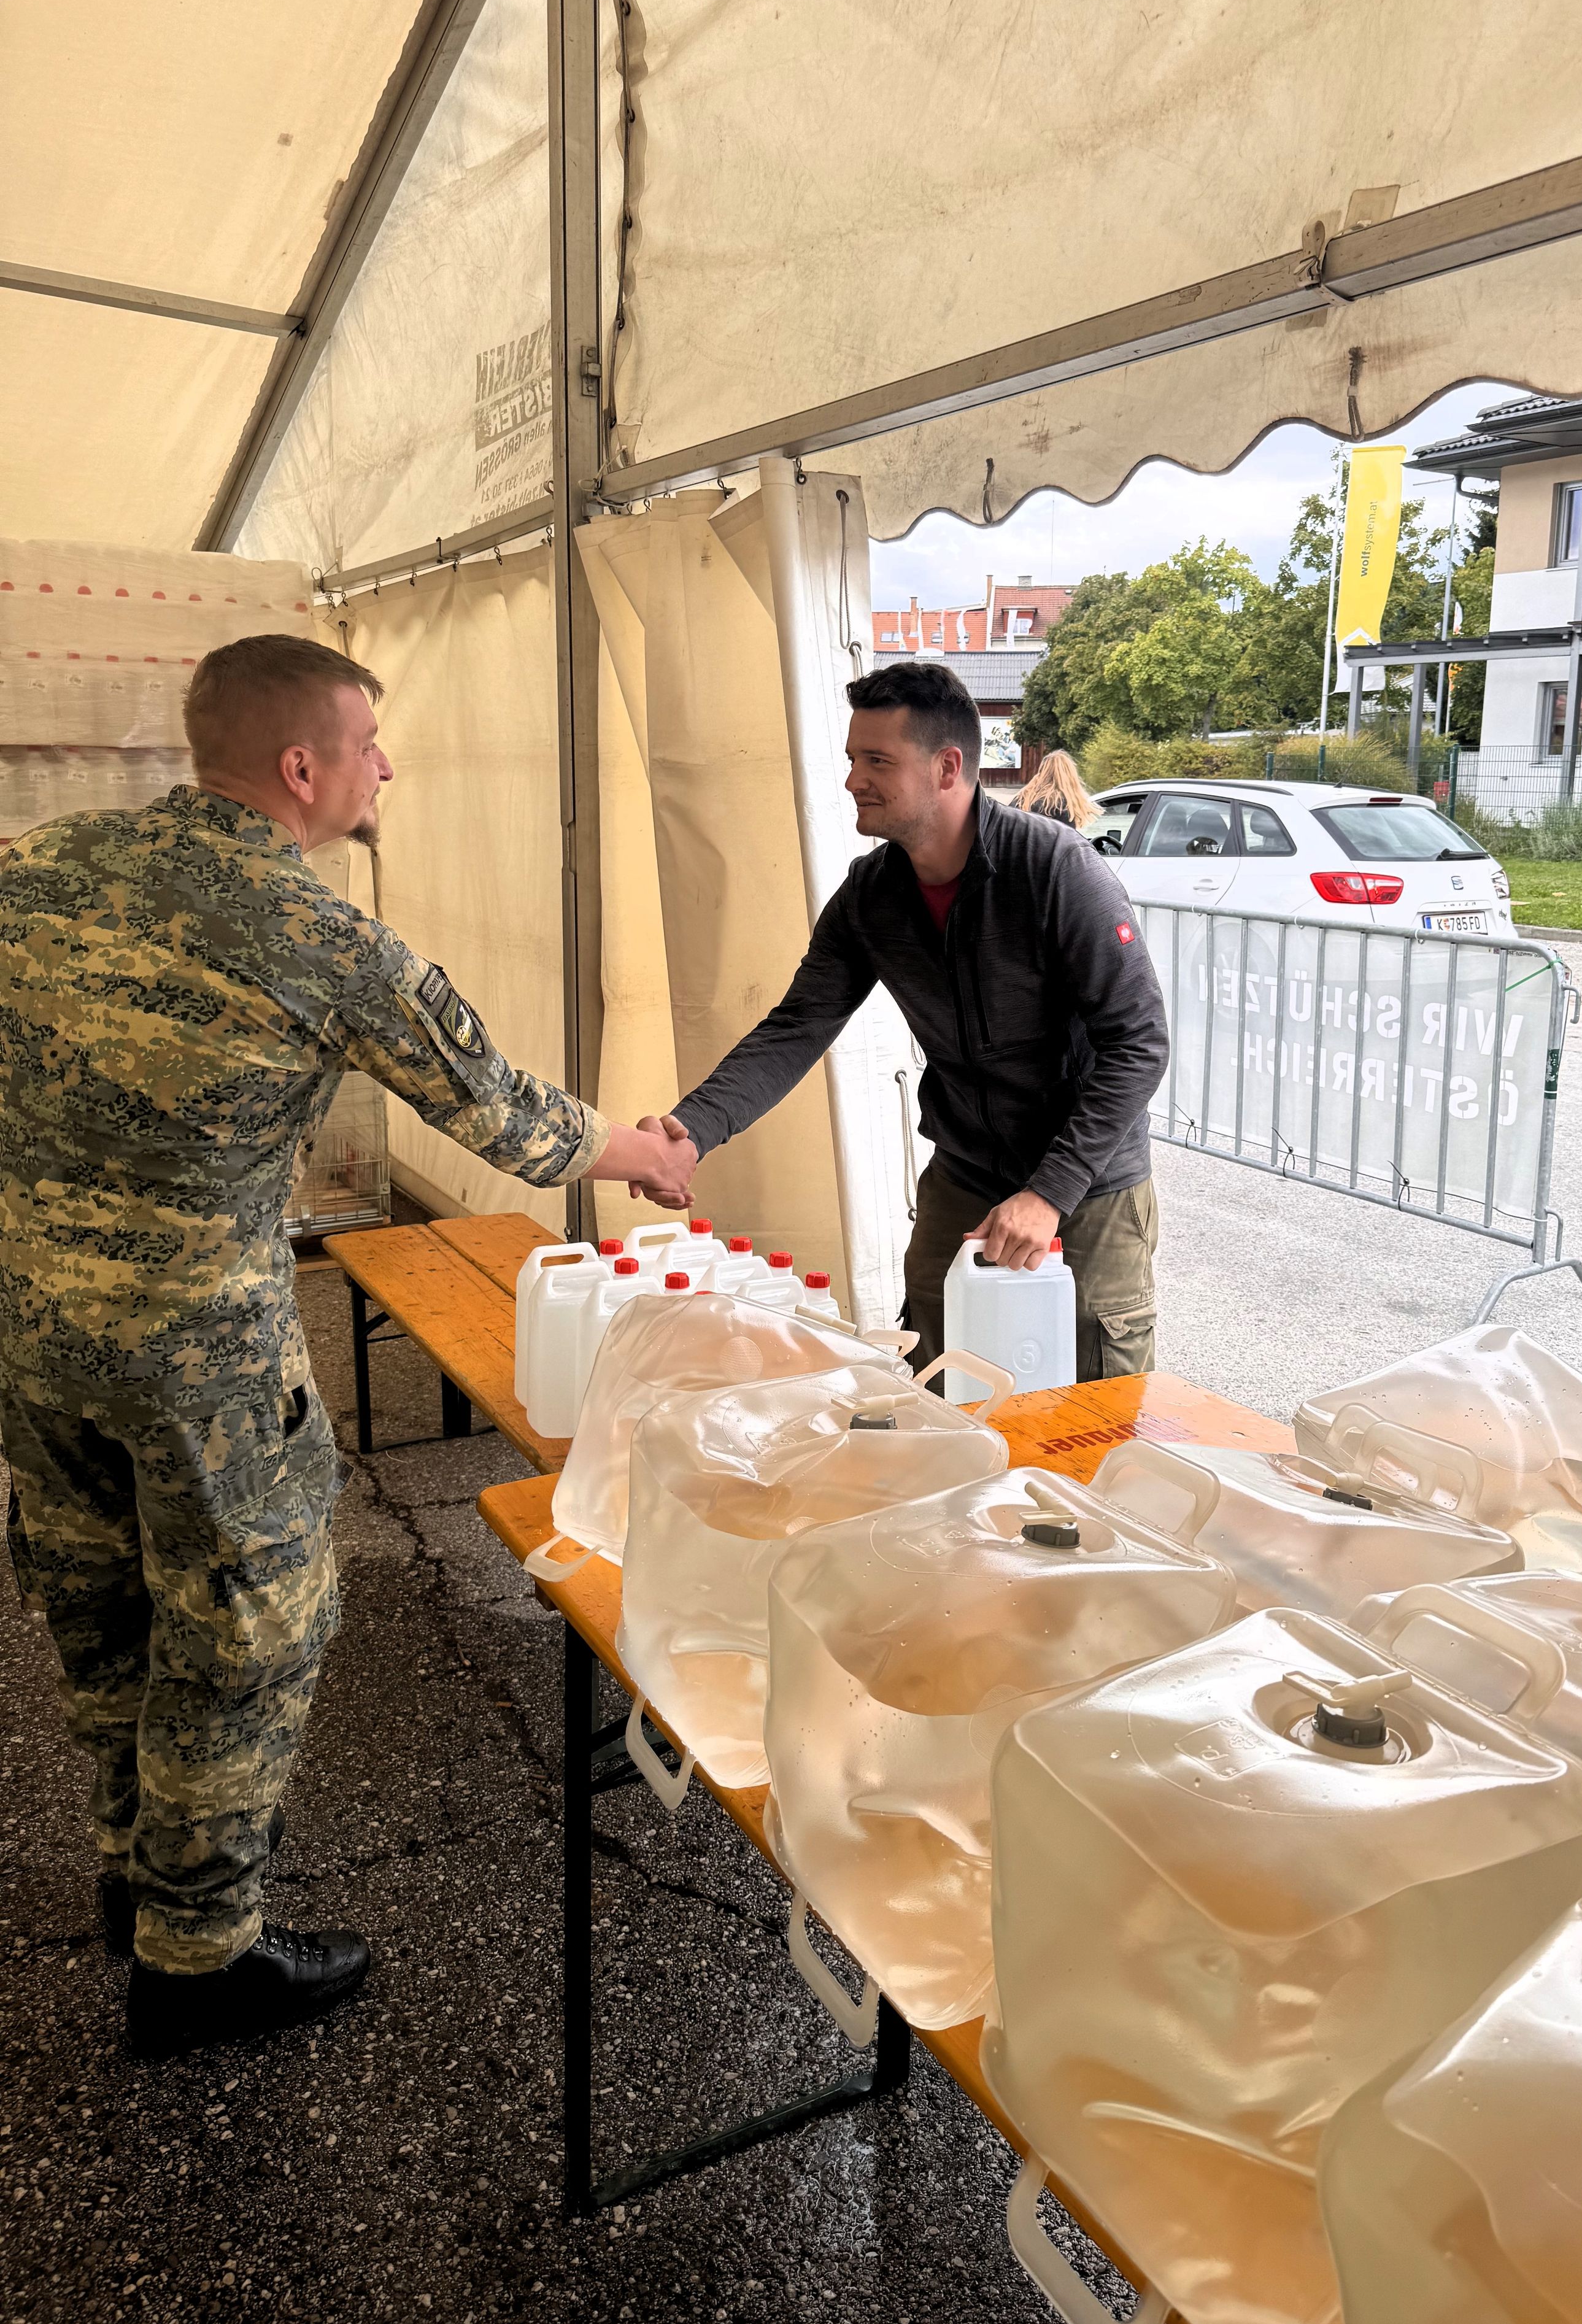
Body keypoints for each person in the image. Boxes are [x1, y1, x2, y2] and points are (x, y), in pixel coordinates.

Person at [0, 635, 696, 2058]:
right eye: (370, 743)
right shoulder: (324, 942)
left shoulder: (36, 869)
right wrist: (642, 1151)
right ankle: (197, 1957)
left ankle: (138, 1870)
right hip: (200, 1361)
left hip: (31, 1335)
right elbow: (501, 1112)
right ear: (303, 769)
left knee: (99, 1600)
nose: (388, 767)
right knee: (248, 1628)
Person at [638, 657, 1167, 1377]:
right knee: (935, 1377)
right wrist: (691, 1131)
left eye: (877, 760)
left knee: (1089, 1404)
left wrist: (1048, 1193)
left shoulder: (1055, 871)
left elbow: (1138, 1043)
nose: (854, 779)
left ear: (948, 768)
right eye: (854, 757)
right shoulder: (871, 895)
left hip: (1089, 1188)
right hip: (966, 1175)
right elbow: (797, 1027)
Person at [1016, 747, 1099, 830]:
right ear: (1070, 775)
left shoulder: (1022, 799)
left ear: (1042, 772)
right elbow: (1066, 841)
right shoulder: (1062, 806)